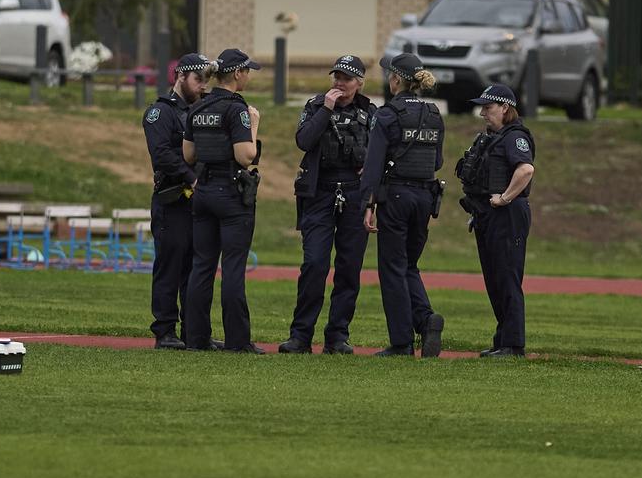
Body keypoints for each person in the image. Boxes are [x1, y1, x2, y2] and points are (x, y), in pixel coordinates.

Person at [278, 55, 375, 355]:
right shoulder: (314, 106)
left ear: (359, 82)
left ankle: (337, 336)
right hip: (319, 193)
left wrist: (369, 173)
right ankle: (300, 335)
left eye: (346, 78)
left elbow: (382, 151)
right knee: (315, 263)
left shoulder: (371, 112)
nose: (339, 83)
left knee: (348, 267)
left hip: (355, 194)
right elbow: (304, 141)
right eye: (336, 77)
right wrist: (326, 109)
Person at [360, 53, 446, 357]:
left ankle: (401, 342)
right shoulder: (434, 114)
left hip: (396, 196)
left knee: (392, 268)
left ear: (396, 79)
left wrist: (368, 204)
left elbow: (373, 166)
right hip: (425, 197)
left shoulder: (387, 115)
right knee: (409, 264)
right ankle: (425, 319)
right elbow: (437, 161)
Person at [182, 48, 265, 354]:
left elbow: (188, 155)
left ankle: (197, 338)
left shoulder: (198, 107)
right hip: (231, 193)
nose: (248, 76)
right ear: (237, 74)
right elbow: (245, 156)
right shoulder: (237, 109)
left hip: (203, 192)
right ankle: (237, 341)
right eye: (247, 71)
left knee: (202, 266)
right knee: (232, 268)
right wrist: (254, 125)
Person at [455, 84, 535, 358]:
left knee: (507, 277)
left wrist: (505, 198)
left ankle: (513, 345)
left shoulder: (515, 138)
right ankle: (503, 340)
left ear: (504, 108)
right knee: (494, 278)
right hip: (488, 215)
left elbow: (525, 170)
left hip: (507, 214)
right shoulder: (494, 138)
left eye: (487, 108)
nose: (482, 113)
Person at [144, 52, 212, 350]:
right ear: (181, 76)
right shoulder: (161, 112)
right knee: (170, 265)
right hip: (172, 198)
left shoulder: (202, 110)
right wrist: (191, 177)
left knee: (195, 267)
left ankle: (195, 331)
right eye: (198, 79)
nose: (202, 86)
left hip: (199, 200)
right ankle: (165, 329)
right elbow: (161, 154)